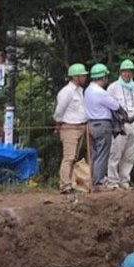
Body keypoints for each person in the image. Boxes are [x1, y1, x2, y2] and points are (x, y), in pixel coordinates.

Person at [84, 64, 122, 191]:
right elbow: (115, 106)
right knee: (102, 154)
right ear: (103, 77)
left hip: (91, 124)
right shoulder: (100, 92)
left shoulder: (88, 90)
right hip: (102, 124)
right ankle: (98, 183)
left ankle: (93, 181)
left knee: (95, 154)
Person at [53, 63, 88, 194]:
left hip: (80, 126)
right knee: (69, 156)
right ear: (75, 77)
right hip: (69, 126)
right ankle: (65, 184)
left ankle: (71, 182)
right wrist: (58, 123)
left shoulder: (79, 91)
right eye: (82, 75)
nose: (85, 78)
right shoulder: (67, 92)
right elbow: (59, 110)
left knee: (74, 157)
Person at [107, 59, 134, 190]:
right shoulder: (113, 87)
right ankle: (113, 181)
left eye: (130, 71)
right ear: (121, 72)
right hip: (121, 123)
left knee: (129, 154)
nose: (127, 74)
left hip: (133, 122)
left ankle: (125, 180)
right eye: (125, 71)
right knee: (116, 152)